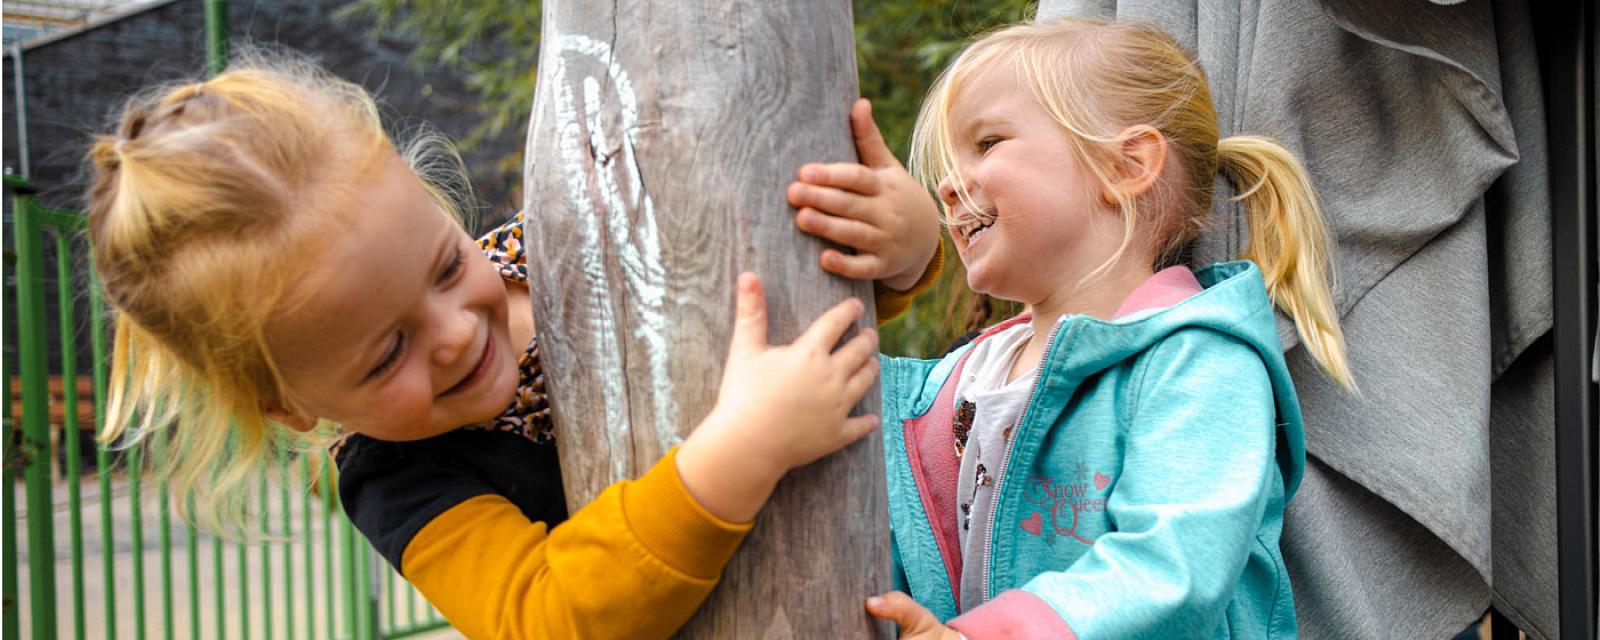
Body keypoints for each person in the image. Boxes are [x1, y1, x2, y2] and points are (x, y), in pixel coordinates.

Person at [86, 55, 943, 639]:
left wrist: (905, 252)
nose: (457, 333)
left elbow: (772, 300)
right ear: (290, 404)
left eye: (446, 264)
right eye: (386, 354)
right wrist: (739, 452)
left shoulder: (563, 248)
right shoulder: (399, 481)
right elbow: (541, 615)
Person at [860, 17, 1357, 639]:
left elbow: (1173, 565)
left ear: (1127, 165)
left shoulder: (1196, 360)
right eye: (949, 161)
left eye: (987, 144)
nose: (947, 185)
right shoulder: (950, 384)